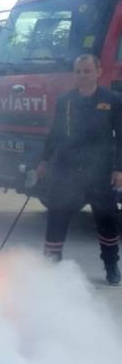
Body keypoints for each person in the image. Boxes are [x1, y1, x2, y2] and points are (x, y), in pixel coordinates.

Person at [37, 54, 122, 285]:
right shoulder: (66, 100)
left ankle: (111, 265)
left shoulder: (113, 99)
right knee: (57, 214)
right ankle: (51, 264)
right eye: (78, 71)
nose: (82, 75)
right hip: (67, 169)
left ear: (98, 72)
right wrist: (44, 161)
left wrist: (119, 169)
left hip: (100, 170)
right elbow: (55, 133)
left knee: (107, 219)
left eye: (87, 71)